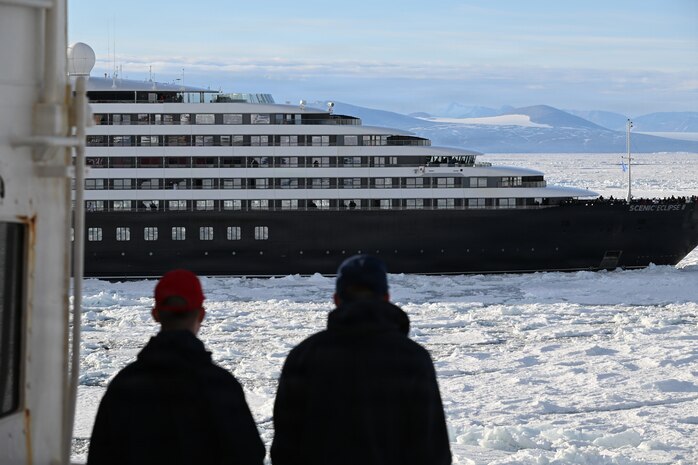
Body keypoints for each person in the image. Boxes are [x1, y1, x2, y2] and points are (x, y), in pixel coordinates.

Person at [271, 255, 451, 465]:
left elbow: (285, 445)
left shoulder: (303, 356)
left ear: (337, 299)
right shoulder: (413, 358)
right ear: (386, 297)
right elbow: (431, 447)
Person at [87, 269, 265, 465]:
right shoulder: (221, 386)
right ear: (202, 315)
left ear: (155, 314)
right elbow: (249, 455)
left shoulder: (123, 386)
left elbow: (100, 456)